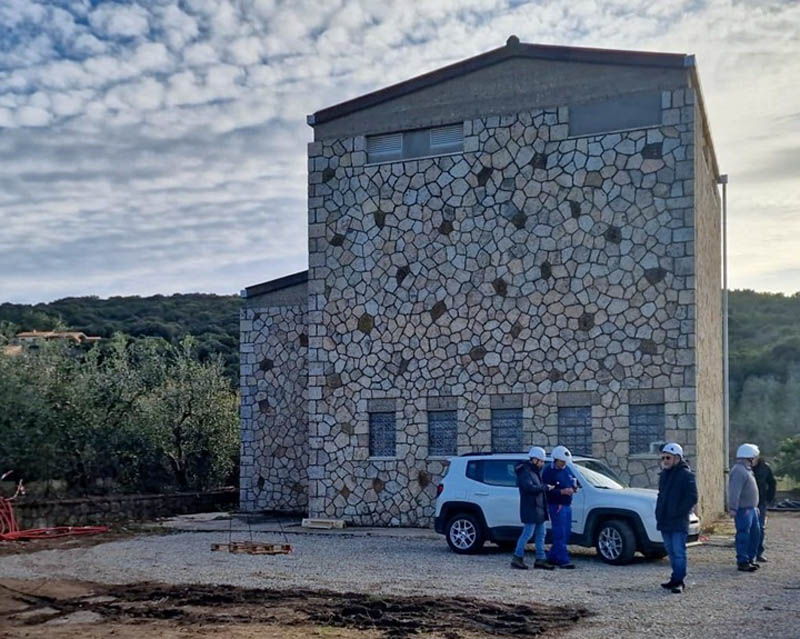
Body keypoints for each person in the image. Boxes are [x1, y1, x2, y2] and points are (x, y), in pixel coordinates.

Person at [655, 442, 698, 594]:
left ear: (677, 458)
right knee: (671, 551)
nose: (665, 460)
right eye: (664, 457)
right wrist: (659, 513)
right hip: (665, 520)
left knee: (678, 551)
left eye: (668, 457)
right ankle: (674, 578)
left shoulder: (686, 475)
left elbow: (692, 497)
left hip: (678, 521)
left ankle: (679, 581)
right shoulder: (664, 475)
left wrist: (678, 512)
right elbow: (661, 496)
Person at [511, 446, 554, 570]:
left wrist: (543, 488)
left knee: (541, 534)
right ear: (535, 460)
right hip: (530, 507)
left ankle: (540, 559)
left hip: (537, 507)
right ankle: (517, 557)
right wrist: (545, 487)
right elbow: (529, 488)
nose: (542, 464)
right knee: (528, 533)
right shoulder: (525, 472)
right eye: (541, 461)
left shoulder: (534, 471)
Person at [542, 445, 579, 569]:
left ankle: (553, 556)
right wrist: (561, 492)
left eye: (565, 462)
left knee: (566, 531)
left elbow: (572, 481)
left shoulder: (566, 469)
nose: (563, 464)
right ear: (556, 459)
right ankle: (562, 559)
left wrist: (574, 488)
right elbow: (546, 490)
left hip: (567, 504)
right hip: (557, 504)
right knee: (560, 532)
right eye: (562, 462)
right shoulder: (548, 471)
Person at [728, 443, 761, 572]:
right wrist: (733, 508)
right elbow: (734, 491)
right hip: (744, 509)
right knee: (743, 535)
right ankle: (742, 560)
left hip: (752, 509)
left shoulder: (747, 470)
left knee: (754, 535)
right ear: (750, 457)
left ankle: (750, 559)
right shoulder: (739, 471)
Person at [752, 453, 776, 562]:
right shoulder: (745, 468)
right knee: (748, 528)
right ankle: (748, 554)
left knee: (760, 528)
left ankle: (758, 553)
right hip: (748, 502)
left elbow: (772, 483)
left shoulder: (765, 467)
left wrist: (768, 498)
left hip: (761, 502)